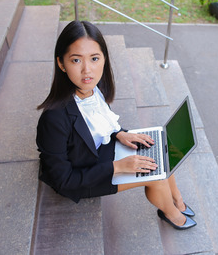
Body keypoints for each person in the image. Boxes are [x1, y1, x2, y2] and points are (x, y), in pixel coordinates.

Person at [36, 20, 196, 230]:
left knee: (159, 151)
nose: (87, 70)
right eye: (76, 60)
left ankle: (178, 200)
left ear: (104, 58)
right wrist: (118, 167)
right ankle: (174, 215)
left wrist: (119, 133)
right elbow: (64, 180)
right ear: (61, 63)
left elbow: (99, 120)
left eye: (94, 59)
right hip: (83, 175)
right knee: (155, 178)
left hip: (99, 151)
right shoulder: (54, 119)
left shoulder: (95, 87)